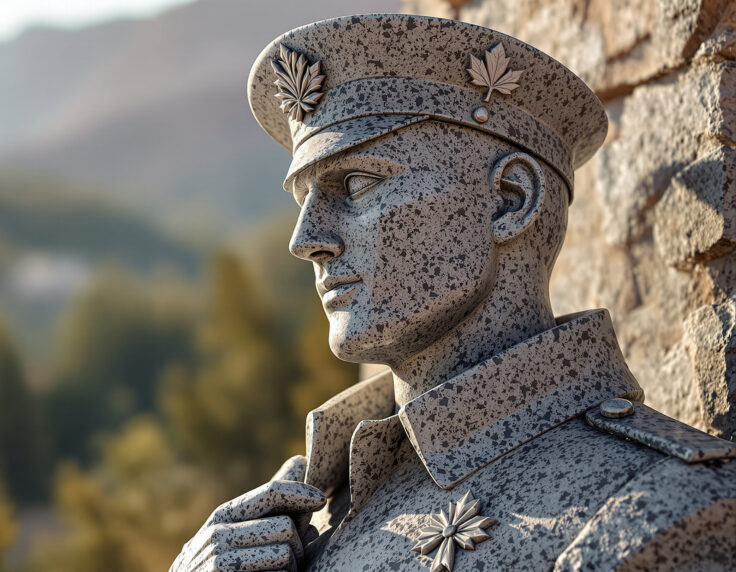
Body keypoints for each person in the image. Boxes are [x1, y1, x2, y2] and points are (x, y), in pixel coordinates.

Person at [171, 14, 736, 572]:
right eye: (305, 201)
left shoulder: (662, 511)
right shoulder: (309, 513)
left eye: (358, 183)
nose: (306, 240)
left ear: (509, 199)